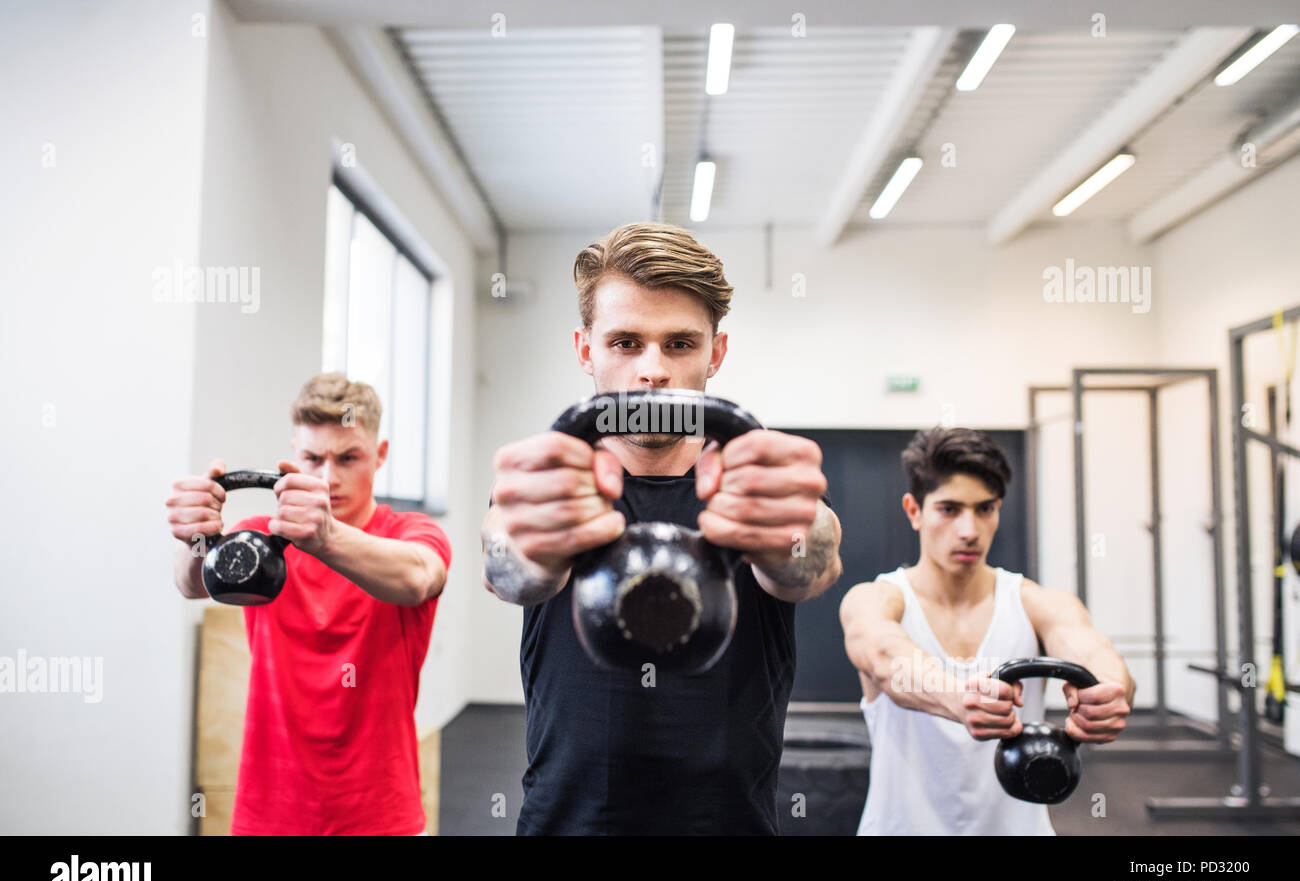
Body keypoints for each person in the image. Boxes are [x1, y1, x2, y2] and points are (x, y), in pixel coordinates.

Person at [482, 222, 843, 835]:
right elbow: (507, 569)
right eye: (625, 342)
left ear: (716, 353)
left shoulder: (755, 491)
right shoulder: (552, 492)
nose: (653, 370)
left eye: (679, 343)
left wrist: (794, 535)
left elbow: (810, 561)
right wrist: (531, 552)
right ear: (585, 350)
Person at [166, 373, 451, 835]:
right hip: (269, 814)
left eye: (348, 457)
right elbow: (190, 583)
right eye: (312, 458)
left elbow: (419, 576)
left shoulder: (410, 533)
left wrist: (326, 538)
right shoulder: (262, 537)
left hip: (380, 816)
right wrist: (196, 536)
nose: (327, 477)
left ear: (379, 456)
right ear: (293, 456)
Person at [839, 426, 1134, 835]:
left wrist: (1107, 693)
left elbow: (1092, 651)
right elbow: (884, 656)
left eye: (985, 509)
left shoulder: (1037, 603)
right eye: (949, 509)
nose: (969, 531)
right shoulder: (875, 599)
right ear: (914, 510)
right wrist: (959, 698)